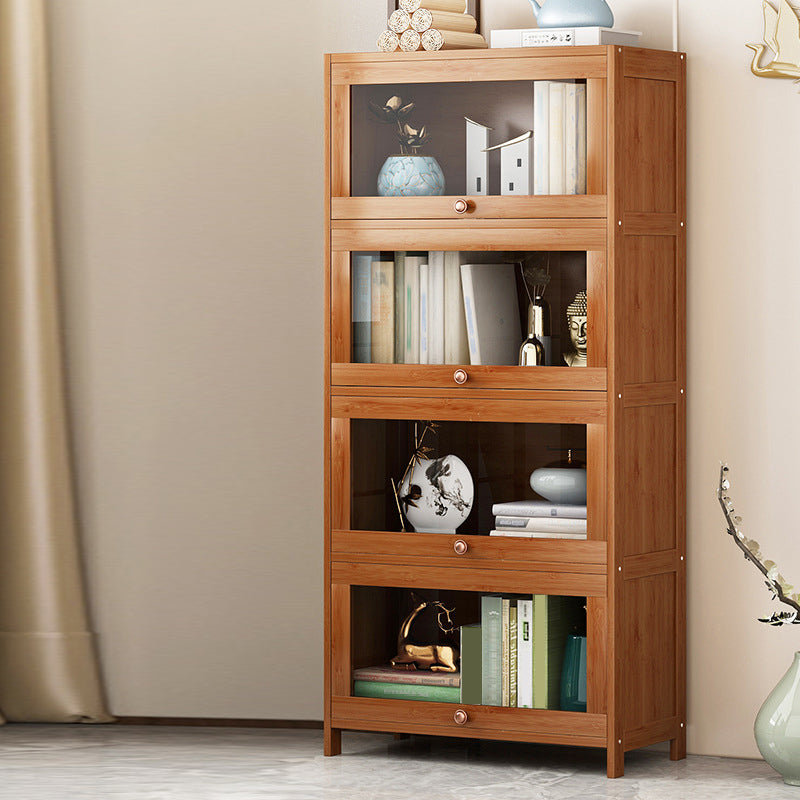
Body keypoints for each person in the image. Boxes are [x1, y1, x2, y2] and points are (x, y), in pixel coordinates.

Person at [563, 291, 587, 367]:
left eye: (586, 328)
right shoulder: (566, 359)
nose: (580, 334)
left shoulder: (605, 360)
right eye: (575, 327)